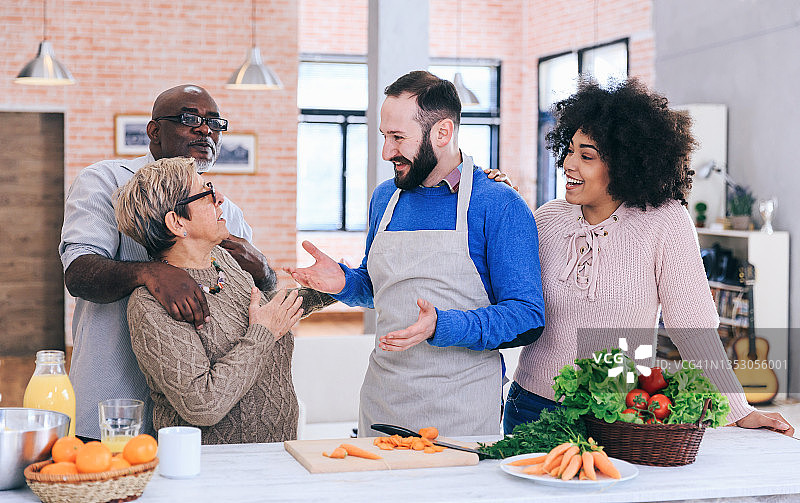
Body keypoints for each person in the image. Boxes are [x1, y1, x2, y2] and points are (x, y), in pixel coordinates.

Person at [504, 78, 794, 436]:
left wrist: (737, 408)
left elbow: (692, 327)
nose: (569, 164)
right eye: (570, 150)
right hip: (531, 406)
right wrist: (498, 207)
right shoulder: (546, 218)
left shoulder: (664, 222)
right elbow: (508, 301)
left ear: (625, 164)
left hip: (616, 414)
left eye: (587, 156)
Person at [288, 71, 546, 437]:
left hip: (461, 414)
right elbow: (385, 290)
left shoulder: (498, 204)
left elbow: (527, 316)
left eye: (397, 138)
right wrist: (346, 282)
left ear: (442, 132)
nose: (386, 152)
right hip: (383, 402)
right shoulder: (384, 198)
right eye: (384, 137)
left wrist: (442, 325)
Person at [59, 85, 283, 440]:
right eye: (190, 119)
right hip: (116, 396)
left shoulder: (226, 214)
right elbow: (80, 273)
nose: (205, 130)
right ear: (154, 131)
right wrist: (152, 271)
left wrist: (265, 269)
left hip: (200, 421)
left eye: (214, 123)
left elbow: (256, 301)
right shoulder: (105, 183)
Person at [114, 157, 332, 444]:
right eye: (206, 192)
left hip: (279, 450)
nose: (220, 199)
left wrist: (330, 288)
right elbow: (203, 405)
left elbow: (267, 313)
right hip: (215, 467)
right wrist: (263, 335)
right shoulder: (150, 305)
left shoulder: (222, 261)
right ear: (177, 222)